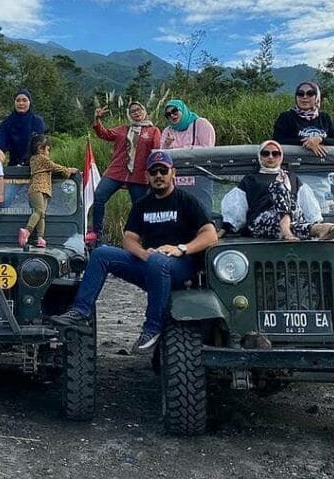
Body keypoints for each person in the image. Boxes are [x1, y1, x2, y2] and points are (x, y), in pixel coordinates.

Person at [51, 151, 219, 353]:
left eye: (163, 170)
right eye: (153, 171)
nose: (159, 175)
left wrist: (181, 249)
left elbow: (210, 235)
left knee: (158, 261)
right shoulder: (142, 205)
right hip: (149, 262)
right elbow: (129, 239)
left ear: (172, 173)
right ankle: (80, 310)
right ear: (147, 176)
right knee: (101, 254)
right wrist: (142, 253)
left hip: (180, 266)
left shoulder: (186, 201)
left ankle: (152, 329)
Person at [221, 140, 334, 240]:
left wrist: (316, 220)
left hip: (292, 222)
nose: (270, 157)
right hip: (262, 222)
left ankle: (317, 228)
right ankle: (314, 228)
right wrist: (225, 228)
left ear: (280, 157)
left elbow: (307, 203)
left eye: (275, 153)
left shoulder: (291, 177)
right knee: (278, 185)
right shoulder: (251, 179)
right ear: (260, 156)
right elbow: (237, 208)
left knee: (295, 220)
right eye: (266, 153)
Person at [86, 101, 161, 246]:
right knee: (99, 196)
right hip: (117, 172)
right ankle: (96, 233)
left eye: (139, 110)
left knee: (139, 207)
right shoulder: (123, 129)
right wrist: (97, 118)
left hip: (139, 175)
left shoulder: (153, 131)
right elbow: (104, 133)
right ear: (129, 114)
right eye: (133, 111)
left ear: (144, 111)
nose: (136, 113)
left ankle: (141, 238)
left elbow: (156, 152)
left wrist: (153, 175)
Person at [19, 134, 78, 248]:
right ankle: (27, 230)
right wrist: (69, 170)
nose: (48, 152)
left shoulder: (39, 160)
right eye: (48, 149)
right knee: (39, 211)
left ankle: (40, 237)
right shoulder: (40, 158)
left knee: (42, 215)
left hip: (45, 189)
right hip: (37, 188)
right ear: (40, 148)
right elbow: (54, 167)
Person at [272, 81, 334, 158]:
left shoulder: (325, 118)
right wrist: (307, 143)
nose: (304, 97)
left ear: (316, 97)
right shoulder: (286, 117)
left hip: (324, 164)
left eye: (310, 93)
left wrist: (319, 139)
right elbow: (277, 142)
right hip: (294, 163)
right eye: (300, 94)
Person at [0, 88, 47, 166]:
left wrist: (23, 163)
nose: (21, 103)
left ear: (30, 102)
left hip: (35, 165)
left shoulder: (37, 121)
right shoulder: (6, 123)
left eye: (24, 100)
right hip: (13, 166)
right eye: (18, 100)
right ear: (14, 102)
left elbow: (40, 147)